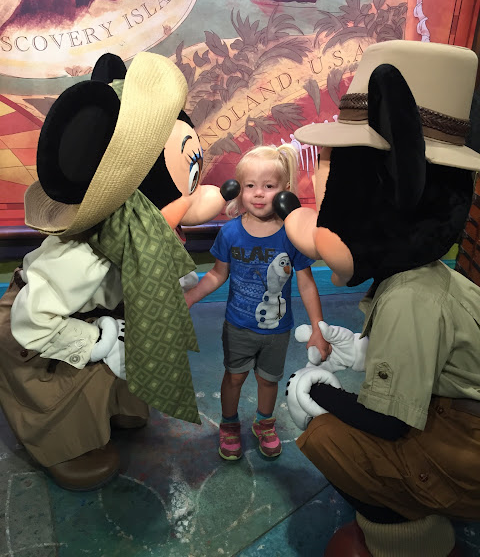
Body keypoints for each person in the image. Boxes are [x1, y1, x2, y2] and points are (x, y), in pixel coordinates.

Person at [277, 40, 480, 557]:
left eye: (333, 178)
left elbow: (389, 422)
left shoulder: (412, 296)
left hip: (469, 438)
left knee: (328, 436)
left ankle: (412, 541)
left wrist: (322, 393)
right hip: (458, 408)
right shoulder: (423, 274)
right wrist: (364, 352)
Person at [0, 52, 239, 491]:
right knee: (90, 370)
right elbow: (32, 321)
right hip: (34, 322)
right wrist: (98, 339)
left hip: (89, 307)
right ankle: (64, 442)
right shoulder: (81, 258)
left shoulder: (136, 238)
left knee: (137, 337)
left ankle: (117, 406)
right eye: (179, 197)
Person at [184, 144, 331, 461]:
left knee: (268, 380)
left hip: (277, 331)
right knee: (234, 377)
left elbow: (306, 282)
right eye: (250, 185)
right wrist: (190, 297)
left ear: (285, 189)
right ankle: (229, 424)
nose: (259, 193)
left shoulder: (292, 235)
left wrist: (318, 328)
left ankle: (264, 424)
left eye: (269, 185)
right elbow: (217, 274)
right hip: (238, 327)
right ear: (238, 189)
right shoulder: (230, 233)